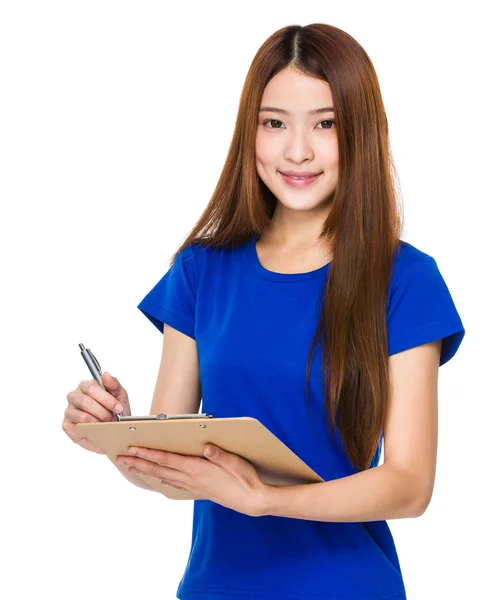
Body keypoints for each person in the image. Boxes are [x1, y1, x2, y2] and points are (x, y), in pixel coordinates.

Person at [63, 23, 465, 600]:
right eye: (274, 123)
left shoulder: (405, 278)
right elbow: (173, 468)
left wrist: (266, 499)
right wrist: (115, 434)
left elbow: (410, 485)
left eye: (325, 125)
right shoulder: (202, 269)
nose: (297, 151)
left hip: (346, 587)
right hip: (215, 587)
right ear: (248, 132)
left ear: (361, 134)